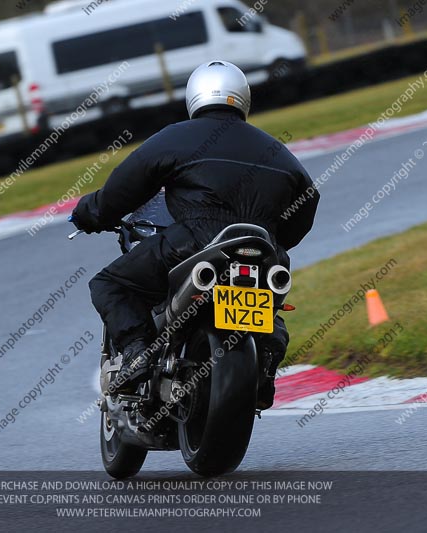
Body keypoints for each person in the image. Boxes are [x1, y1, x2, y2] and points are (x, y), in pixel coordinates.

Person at [71, 61, 319, 409]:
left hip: (193, 241)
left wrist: (91, 212)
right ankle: (265, 359)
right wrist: (274, 239)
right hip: (264, 251)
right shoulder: (277, 151)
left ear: (194, 98)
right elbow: (308, 203)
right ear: (243, 99)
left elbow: (124, 187)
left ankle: (136, 351)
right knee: (274, 308)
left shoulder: (176, 136)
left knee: (109, 284)